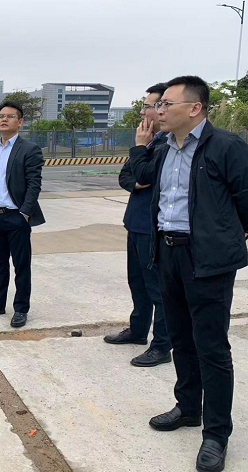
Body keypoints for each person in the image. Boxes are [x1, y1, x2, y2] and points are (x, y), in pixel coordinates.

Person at [129, 76, 248, 472]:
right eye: (158, 104)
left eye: (166, 104)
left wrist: (224, 239)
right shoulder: (164, 148)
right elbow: (139, 179)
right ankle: (188, 407)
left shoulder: (226, 146)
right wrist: (141, 146)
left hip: (207, 261)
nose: (158, 110)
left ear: (194, 108)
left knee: (211, 347)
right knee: (180, 338)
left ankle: (216, 434)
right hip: (168, 254)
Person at [104, 83, 172, 367]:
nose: (142, 112)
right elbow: (126, 177)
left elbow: (147, 175)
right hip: (135, 223)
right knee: (138, 283)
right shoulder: (149, 143)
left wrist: (140, 153)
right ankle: (138, 330)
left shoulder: (168, 144)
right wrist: (138, 177)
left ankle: (162, 345)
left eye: (146, 107)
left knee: (158, 289)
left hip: (154, 227)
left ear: (161, 108)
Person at [0, 101, 45, 328]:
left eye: (10, 116)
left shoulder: (29, 149)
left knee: (21, 265)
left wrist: (24, 213)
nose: (4, 119)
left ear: (20, 122)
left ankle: (21, 308)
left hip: (16, 217)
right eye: (1, 116)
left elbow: (34, 184)